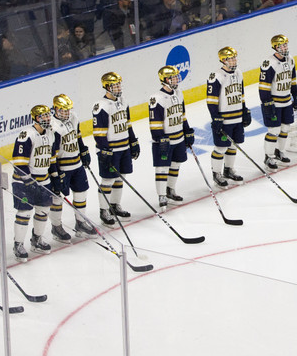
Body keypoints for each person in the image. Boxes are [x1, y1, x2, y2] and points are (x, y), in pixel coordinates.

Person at [10, 106, 62, 258]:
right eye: (43, 116)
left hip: (43, 180)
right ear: (36, 118)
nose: (47, 119)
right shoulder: (26, 135)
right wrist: (29, 181)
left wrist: (55, 177)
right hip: (23, 183)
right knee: (24, 212)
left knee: (44, 210)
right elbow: (19, 162)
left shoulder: (51, 134)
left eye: (48, 116)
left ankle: (36, 239)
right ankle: (18, 244)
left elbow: (51, 160)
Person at [92, 73, 140, 225]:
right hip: (111, 149)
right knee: (108, 179)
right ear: (107, 87)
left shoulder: (122, 101)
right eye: (115, 85)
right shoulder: (101, 106)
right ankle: (104, 210)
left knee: (120, 177)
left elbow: (128, 123)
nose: (118, 88)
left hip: (123, 146)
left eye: (119, 85)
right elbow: (99, 132)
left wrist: (133, 141)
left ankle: (114, 205)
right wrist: (104, 150)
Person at [48, 94, 96, 237]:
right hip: (63, 167)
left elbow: (78, 137)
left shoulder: (73, 118)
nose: (66, 113)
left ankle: (80, 223)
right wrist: (55, 174)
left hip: (77, 164)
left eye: (68, 110)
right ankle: (56, 227)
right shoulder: (53, 126)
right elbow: (52, 154)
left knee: (81, 193)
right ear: (55, 109)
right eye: (63, 110)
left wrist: (83, 150)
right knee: (58, 198)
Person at [148, 67, 195, 208]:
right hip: (165, 140)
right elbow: (155, 122)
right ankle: (161, 195)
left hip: (179, 137)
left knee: (175, 165)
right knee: (162, 168)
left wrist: (187, 130)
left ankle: (170, 190)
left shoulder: (179, 93)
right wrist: (160, 137)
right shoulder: (157, 98)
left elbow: (182, 115)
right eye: (173, 77)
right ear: (166, 80)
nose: (176, 80)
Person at [206, 48, 251, 187]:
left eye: (234, 58)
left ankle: (228, 170)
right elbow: (211, 100)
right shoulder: (216, 76)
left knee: (233, 145)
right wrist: (216, 118)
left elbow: (241, 94)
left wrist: (244, 110)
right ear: (223, 60)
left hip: (237, 117)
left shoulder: (238, 73)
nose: (234, 61)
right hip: (224, 119)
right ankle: (216, 174)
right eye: (230, 59)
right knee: (221, 147)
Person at [258, 36, 297, 169]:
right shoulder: (269, 63)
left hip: (286, 101)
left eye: (286, 45)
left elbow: (292, 80)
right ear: (276, 47)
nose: (285, 48)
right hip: (274, 103)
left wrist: (296, 95)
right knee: (273, 130)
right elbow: (264, 86)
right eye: (282, 46)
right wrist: (267, 103)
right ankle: (268, 157)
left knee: (285, 128)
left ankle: (279, 152)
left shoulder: (290, 59)